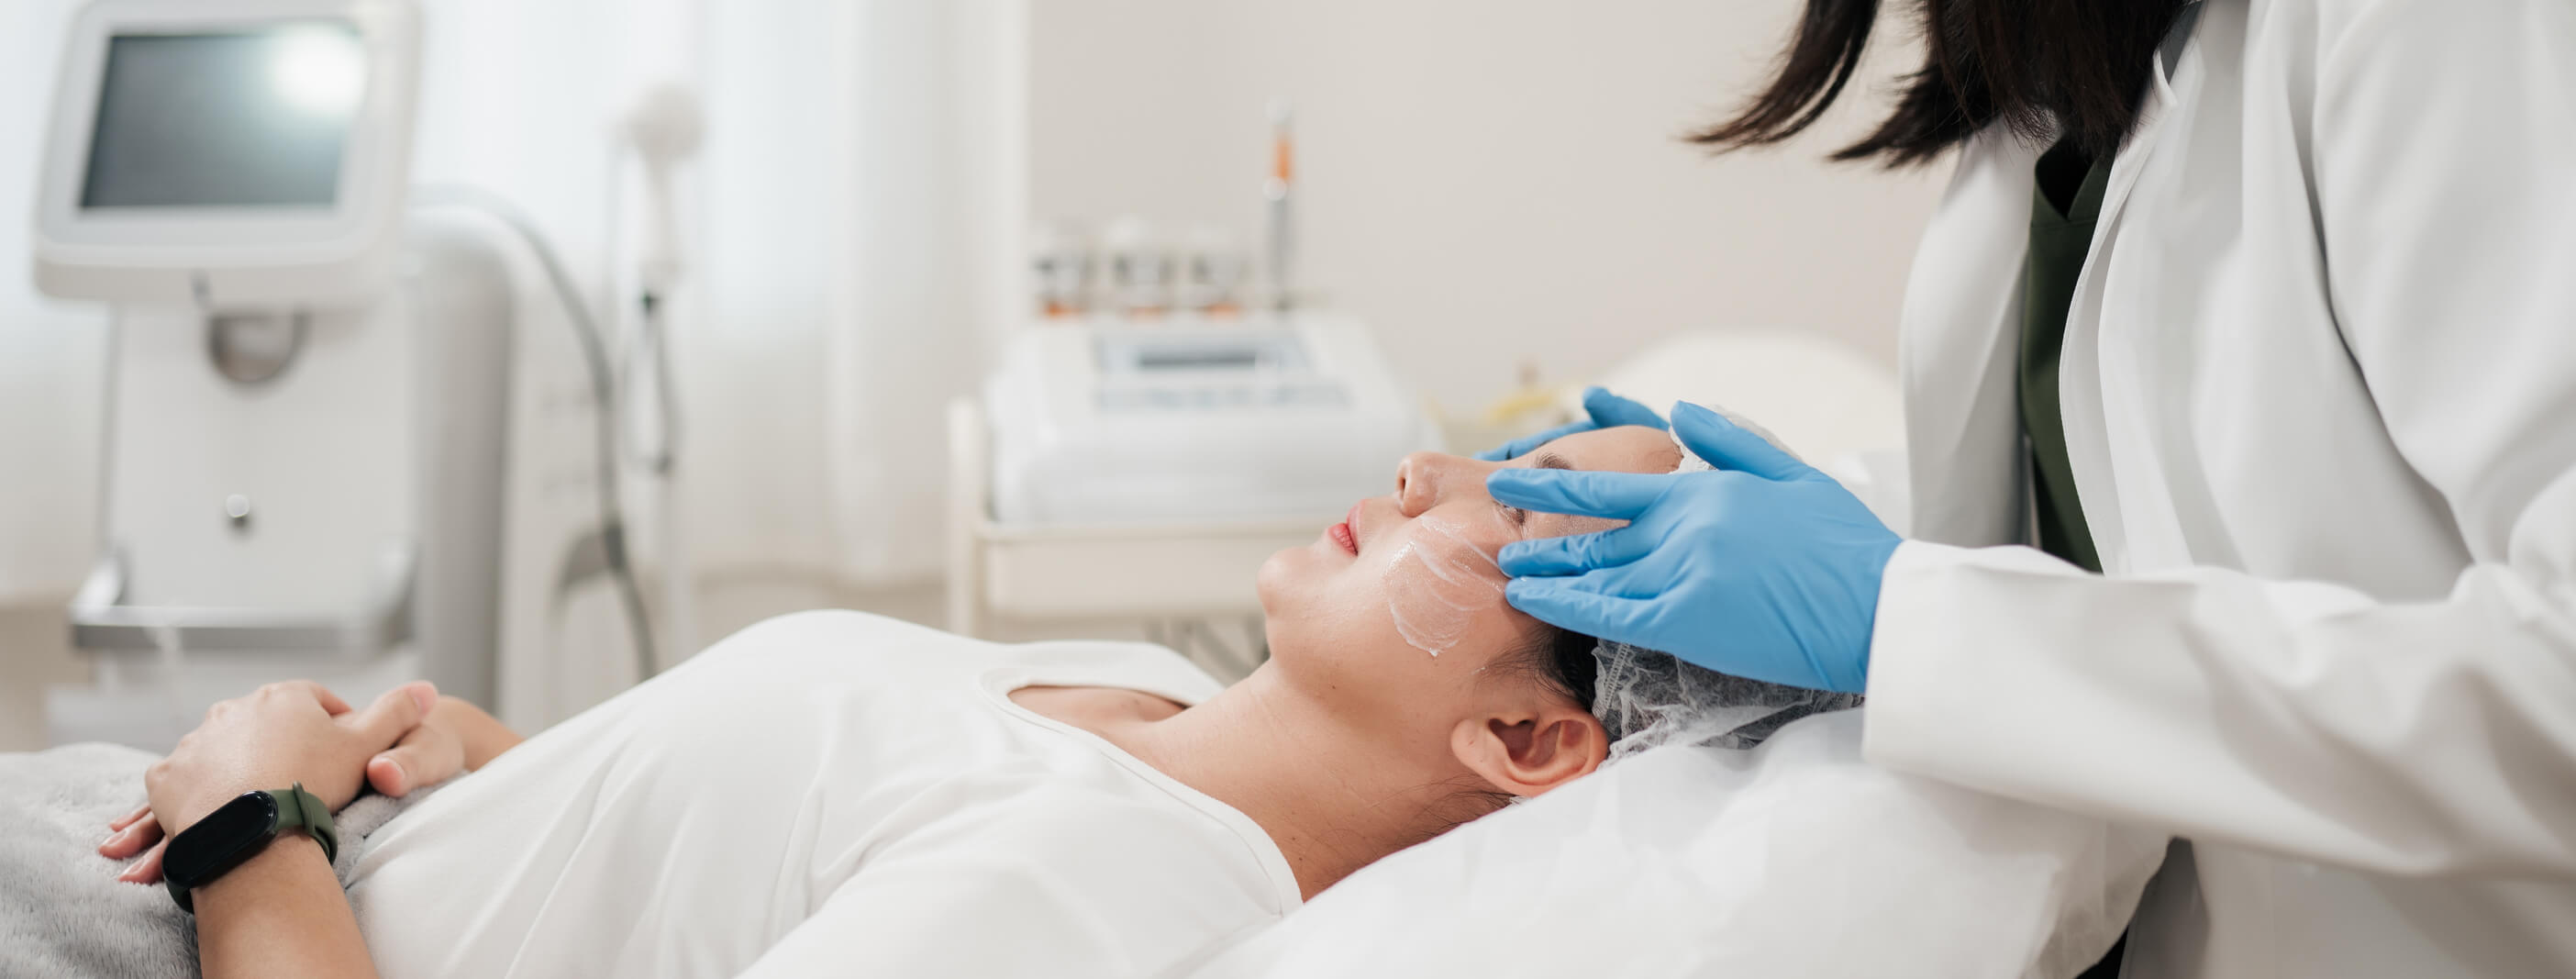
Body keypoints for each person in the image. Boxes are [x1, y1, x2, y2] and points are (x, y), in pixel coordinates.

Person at [1482, 1, 2576, 975]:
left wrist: (1901, 614)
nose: (1421, 474)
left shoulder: (2429, 29)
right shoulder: (2062, 83)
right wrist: (1808, 523)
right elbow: (2102, 502)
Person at [93, 426, 1683, 979]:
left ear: (1527, 740)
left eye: (1514, 502)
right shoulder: (1154, 694)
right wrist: (481, 765)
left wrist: (248, 821)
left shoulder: (1082, 891)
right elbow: (737, 862)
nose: (1424, 469)